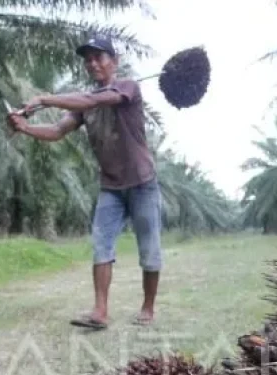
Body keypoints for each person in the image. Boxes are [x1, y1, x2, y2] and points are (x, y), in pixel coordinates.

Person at [8, 36, 162, 329]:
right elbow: (56, 130)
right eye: (88, 59)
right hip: (111, 186)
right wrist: (25, 127)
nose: (93, 63)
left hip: (143, 183)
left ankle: (148, 307)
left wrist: (43, 99)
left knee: (149, 249)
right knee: (101, 245)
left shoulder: (127, 86)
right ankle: (100, 312)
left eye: (99, 57)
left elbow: (95, 99)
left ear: (114, 62)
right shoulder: (84, 106)